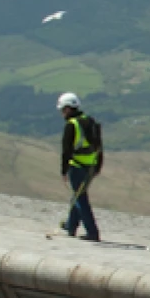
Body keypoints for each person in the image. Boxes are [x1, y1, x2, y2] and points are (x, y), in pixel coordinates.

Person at [57, 91, 104, 242]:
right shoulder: (90, 121)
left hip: (76, 166)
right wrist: (98, 166)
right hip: (91, 166)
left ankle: (92, 232)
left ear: (68, 109)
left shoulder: (72, 125)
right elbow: (99, 146)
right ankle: (71, 226)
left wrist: (64, 170)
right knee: (77, 195)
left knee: (80, 198)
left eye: (63, 109)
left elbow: (66, 150)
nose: (62, 113)